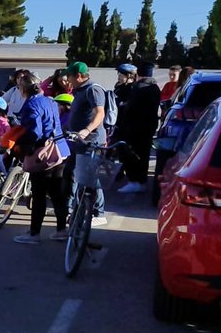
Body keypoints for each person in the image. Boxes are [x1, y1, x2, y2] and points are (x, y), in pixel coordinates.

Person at [12, 72, 72, 245]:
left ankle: (34, 233)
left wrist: (18, 142)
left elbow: (34, 132)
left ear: (24, 88)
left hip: (43, 153)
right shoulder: (50, 101)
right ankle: (61, 229)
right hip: (59, 149)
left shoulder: (31, 105)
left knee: (39, 194)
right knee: (56, 193)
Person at [64, 61, 108, 227]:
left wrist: (86, 130)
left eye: (69, 76)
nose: (67, 80)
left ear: (79, 76)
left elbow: (99, 113)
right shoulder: (80, 90)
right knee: (73, 174)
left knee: (89, 177)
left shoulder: (93, 89)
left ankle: (99, 212)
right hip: (78, 141)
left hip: (91, 141)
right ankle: (74, 209)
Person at [116, 62, 161, 194]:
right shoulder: (155, 87)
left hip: (135, 127)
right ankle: (141, 181)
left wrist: (123, 106)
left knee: (133, 154)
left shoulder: (139, 87)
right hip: (149, 126)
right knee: (144, 154)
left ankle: (134, 181)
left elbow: (131, 108)